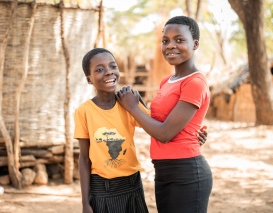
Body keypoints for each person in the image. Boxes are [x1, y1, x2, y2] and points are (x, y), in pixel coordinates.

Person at [74, 47, 208, 213]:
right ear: (89, 79)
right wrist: (85, 202)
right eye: (99, 70)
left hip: (132, 186)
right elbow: (84, 160)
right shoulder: (84, 112)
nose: (108, 72)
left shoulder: (128, 105)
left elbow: (161, 127)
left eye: (112, 66)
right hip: (101, 189)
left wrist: (194, 132)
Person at [116, 16, 212, 213]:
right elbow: (155, 120)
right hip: (163, 170)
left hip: (186, 173)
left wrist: (133, 108)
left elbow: (165, 133)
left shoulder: (194, 83)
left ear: (195, 44)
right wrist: (137, 102)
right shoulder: (167, 81)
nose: (170, 46)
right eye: (165, 40)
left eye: (179, 40)